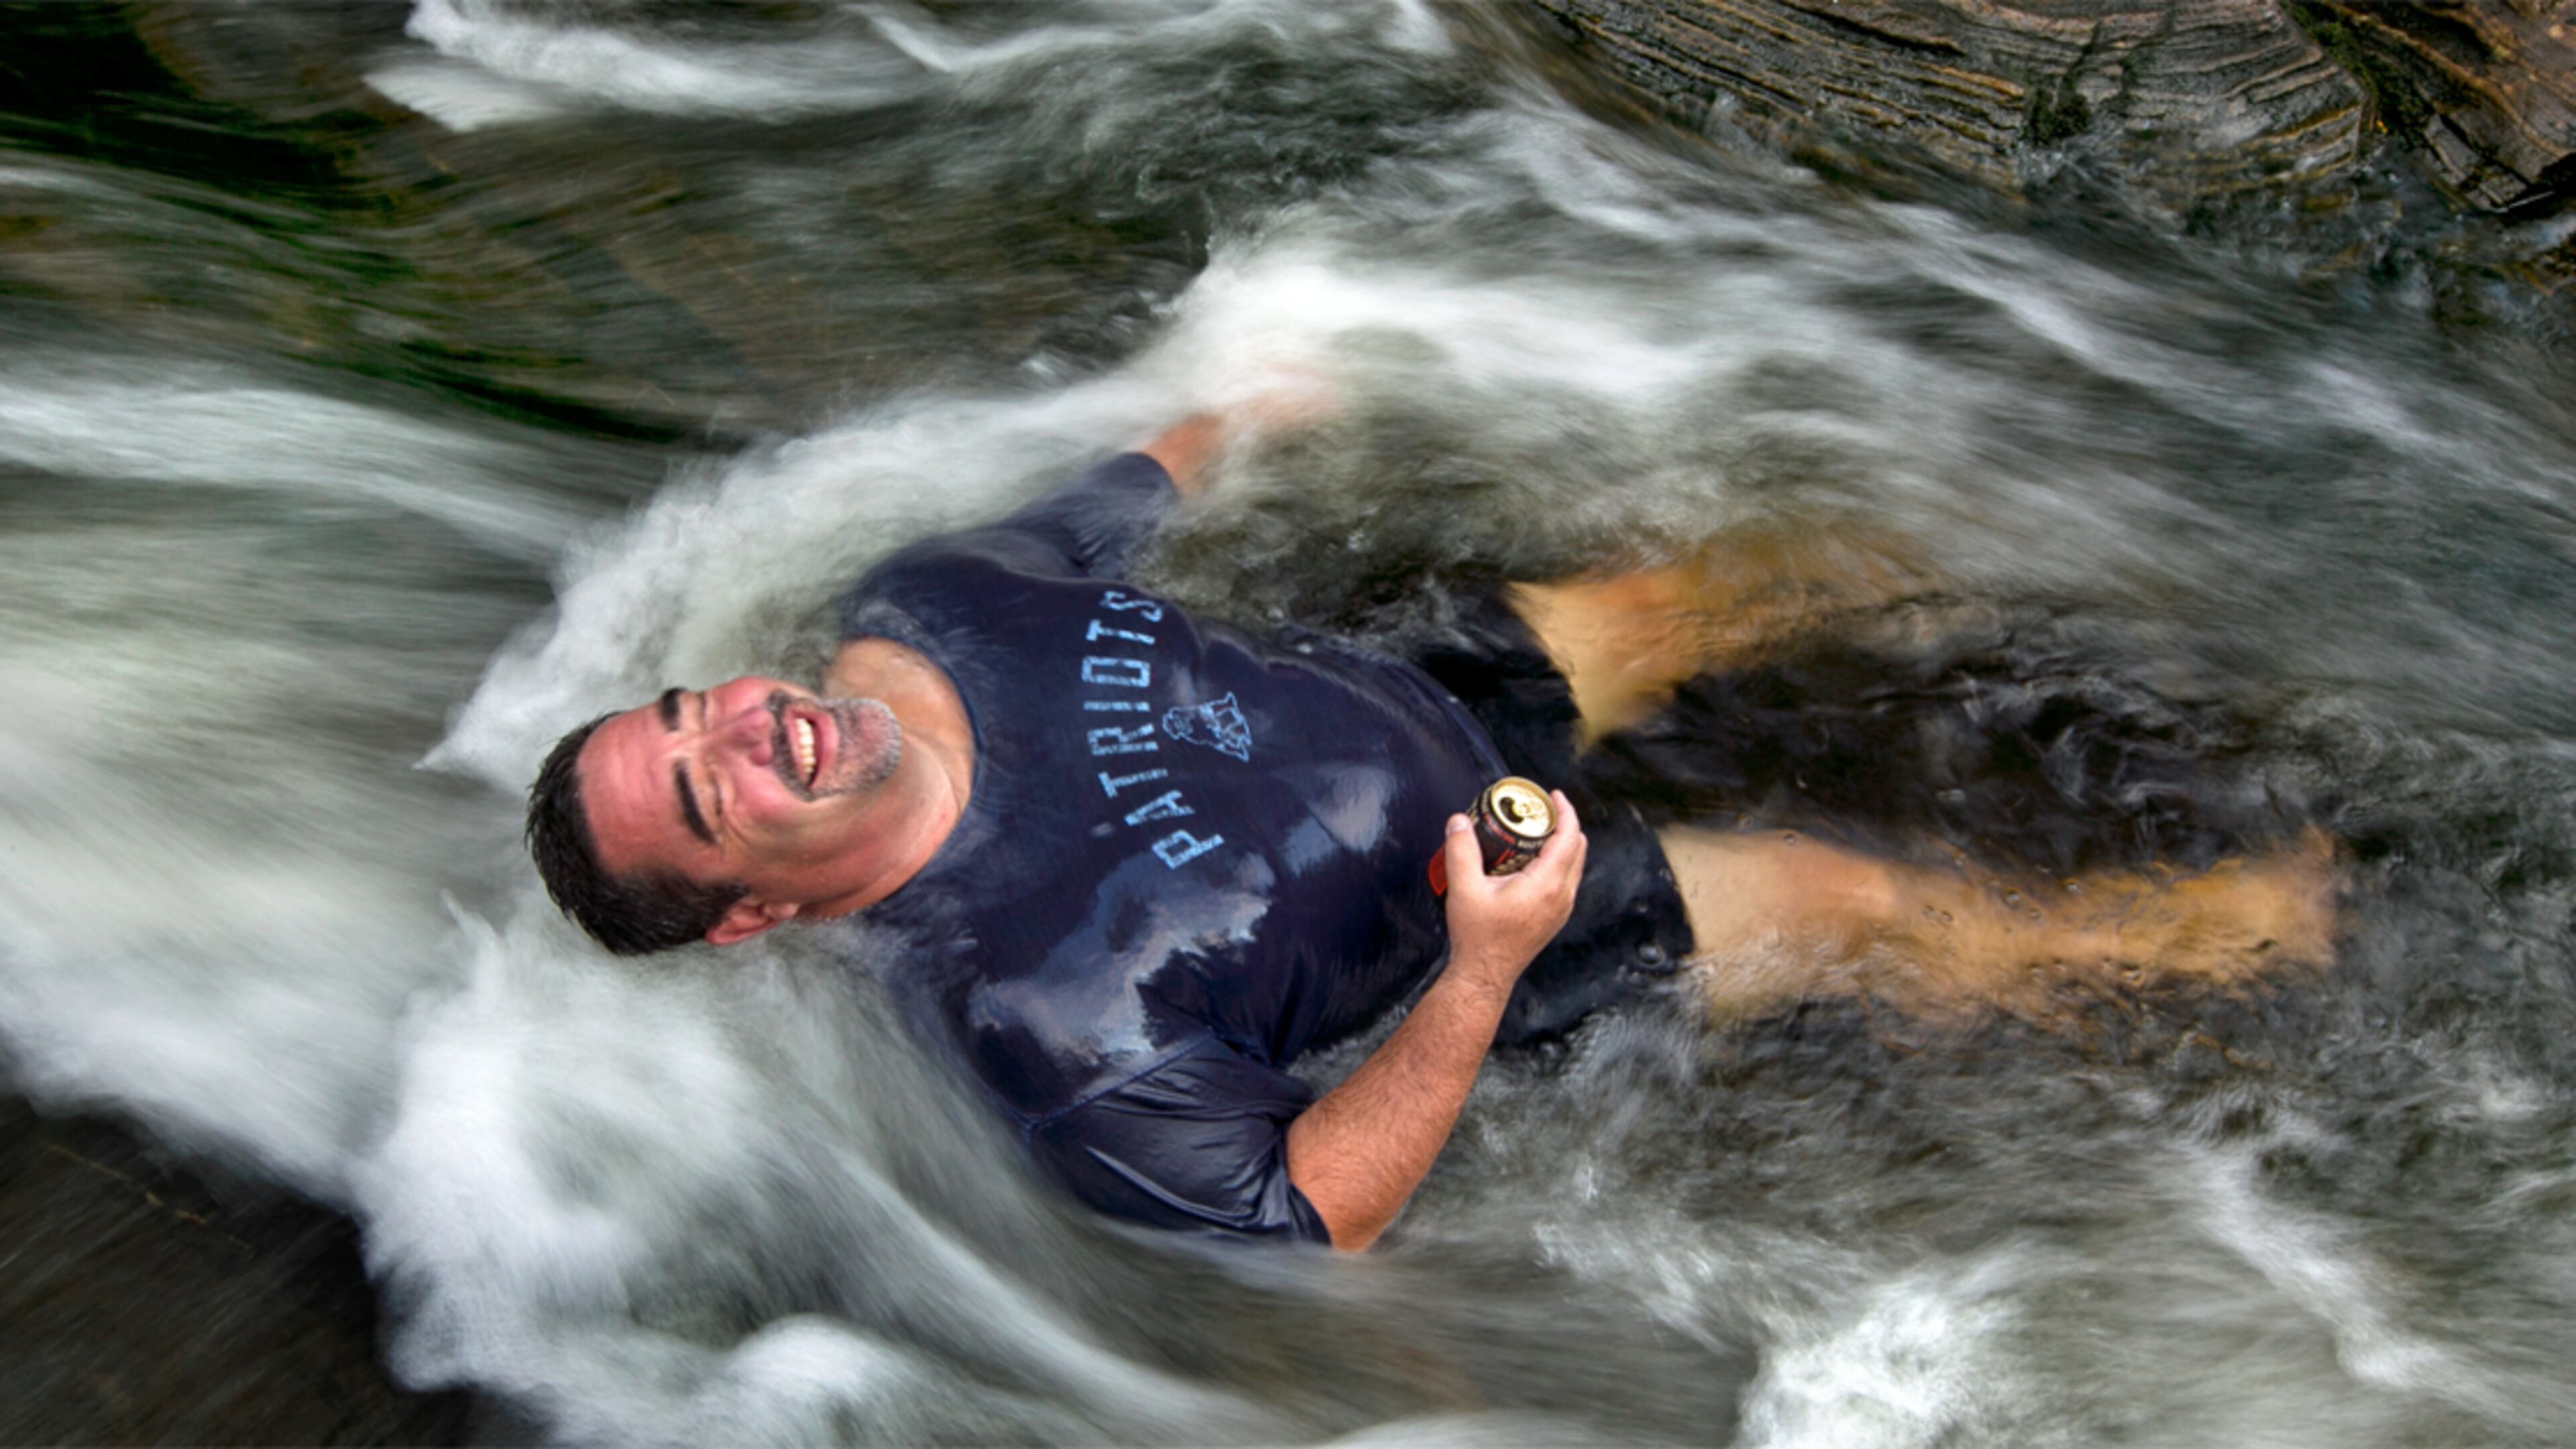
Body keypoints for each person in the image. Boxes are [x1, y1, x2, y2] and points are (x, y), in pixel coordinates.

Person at [525, 411, 2334, 1250]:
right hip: (1480, 915)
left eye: (700, 710)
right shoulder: (1036, 1023)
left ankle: (2117, 533)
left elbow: (1111, 497)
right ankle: (2248, 935)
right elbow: (1310, 1205)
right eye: (711, 789)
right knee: (1861, 906)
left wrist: (1264, 387)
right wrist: (1480, 972)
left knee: (1756, 579)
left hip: (1421, 688)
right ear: (749, 914)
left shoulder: (921, 609)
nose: (747, 727)